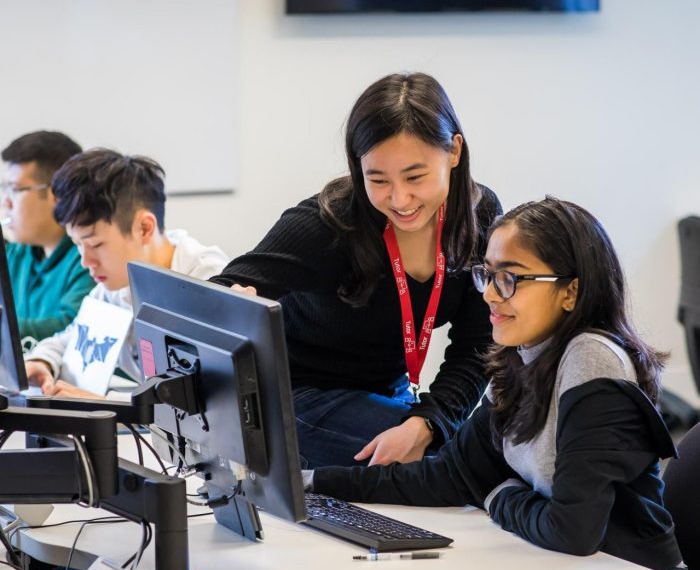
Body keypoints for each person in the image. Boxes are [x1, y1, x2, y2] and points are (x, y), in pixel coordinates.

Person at [308, 197, 699, 570]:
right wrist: (314, 484)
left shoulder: (592, 363)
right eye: (488, 275)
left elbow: (572, 531)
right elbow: (447, 476)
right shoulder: (522, 358)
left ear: (570, 291)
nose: (491, 294)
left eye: (511, 278)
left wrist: (500, 496)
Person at [210, 72, 501, 468]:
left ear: (453, 151)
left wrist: (430, 421)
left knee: (473, 445)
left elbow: (478, 344)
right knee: (454, 463)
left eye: (415, 176)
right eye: (377, 180)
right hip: (294, 396)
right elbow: (215, 293)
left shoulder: (479, 215)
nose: (400, 199)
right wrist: (231, 305)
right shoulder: (324, 224)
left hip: (387, 391)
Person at [24, 148, 228, 399]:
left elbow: (214, 398)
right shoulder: (115, 285)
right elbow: (71, 339)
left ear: (144, 228)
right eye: (78, 244)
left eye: (96, 244)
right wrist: (42, 362)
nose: (86, 261)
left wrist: (110, 405)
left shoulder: (208, 281)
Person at [1, 131, 95, 343]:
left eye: (16, 190)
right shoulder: (16, 253)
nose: (5, 203)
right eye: (4, 189)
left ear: (56, 195)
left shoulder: (89, 257)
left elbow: (71, 327)